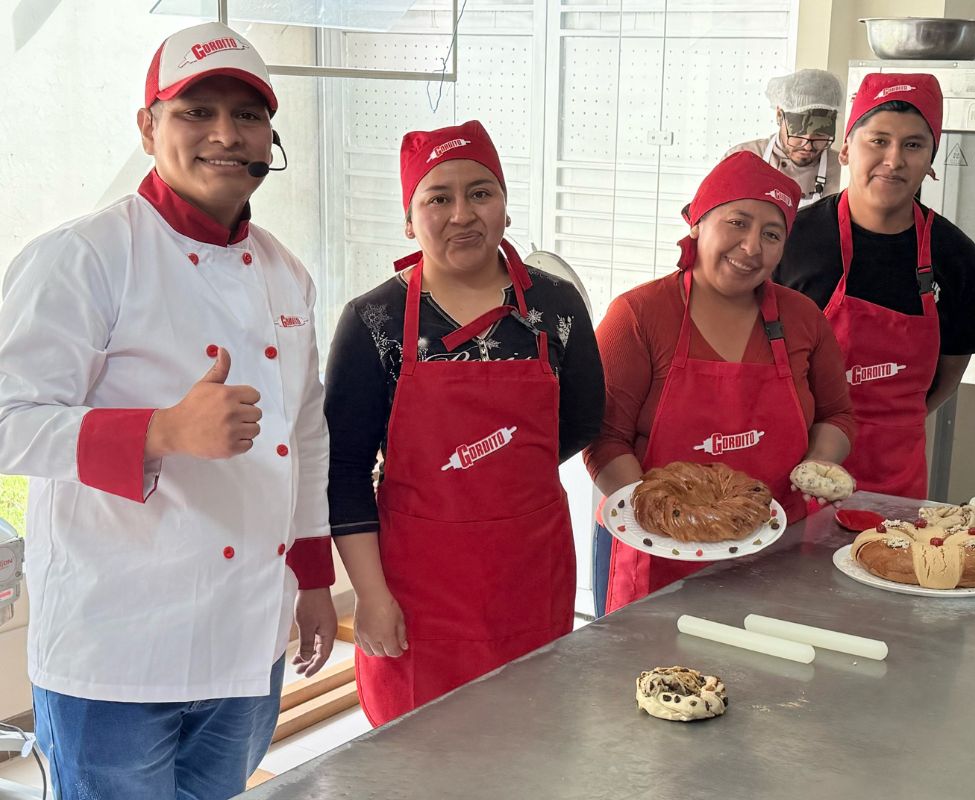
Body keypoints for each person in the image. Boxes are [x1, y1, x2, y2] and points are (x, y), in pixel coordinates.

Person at [0, 22, 337, 800]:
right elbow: (10, 420)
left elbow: (306, 436)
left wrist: (313, 577)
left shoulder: (287, 273)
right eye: (196, 111)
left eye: (246, 115)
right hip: (116, 646)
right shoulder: (83, 257)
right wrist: (159, 431)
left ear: (267, 137)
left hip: (248, 634)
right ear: (148, 127)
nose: (225, 133)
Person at [324, 120, 605, 726]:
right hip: (416, 591)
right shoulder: (374, 319)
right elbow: (343, 468)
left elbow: (583, 421)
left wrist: (498, 479)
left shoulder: (555, 308)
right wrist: (370, 597)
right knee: (420, 759)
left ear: (504, 206)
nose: (462, 214)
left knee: (529, 745)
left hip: (530, 575)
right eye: (438, 197)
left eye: (481, 192)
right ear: (408, 218)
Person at [584, 152, 855, 616]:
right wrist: (674, 522)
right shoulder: (639, 315)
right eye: (737, 222)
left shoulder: (802, 318)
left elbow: (838, 415)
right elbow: (604, 439)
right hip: (659, 555)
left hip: (777, 548)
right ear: (697, 223)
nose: (752, 247)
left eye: (771, 234)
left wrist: (819, 465)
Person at [775, 73, 975, 500]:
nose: (893, 160)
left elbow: (950, 373)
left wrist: (892, 423)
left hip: (894, 481)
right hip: (794, 470)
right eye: (878, 141)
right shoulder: (790, 239)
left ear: (931, 159)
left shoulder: (956, 256)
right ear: (846, 149)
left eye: (913, 145)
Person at [726, 69, 844, 209]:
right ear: (779, 115)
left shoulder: (842, 170)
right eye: (798, 134)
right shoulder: (740, 159)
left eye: (820, 135)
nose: (807, 146)